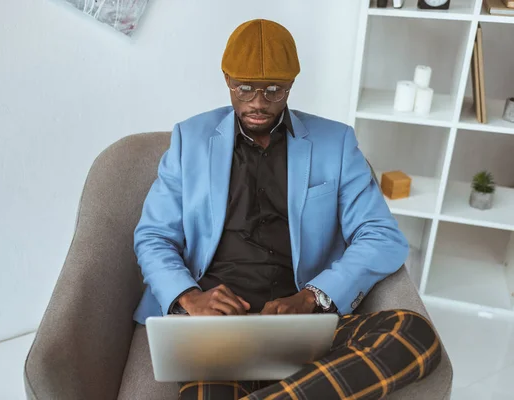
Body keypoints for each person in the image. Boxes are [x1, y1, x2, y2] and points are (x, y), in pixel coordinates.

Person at [133, 19, 441, 400]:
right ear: (227, 80)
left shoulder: (336, 143)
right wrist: (189, 297)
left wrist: (313, 296)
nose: (258, 102)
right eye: (244, 88)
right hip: (217, 326)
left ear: (292, 85)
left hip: (303, 321)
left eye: (273, 91)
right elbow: (153, 235)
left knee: (414, 335)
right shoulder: (189, 140)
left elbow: (383, 236)